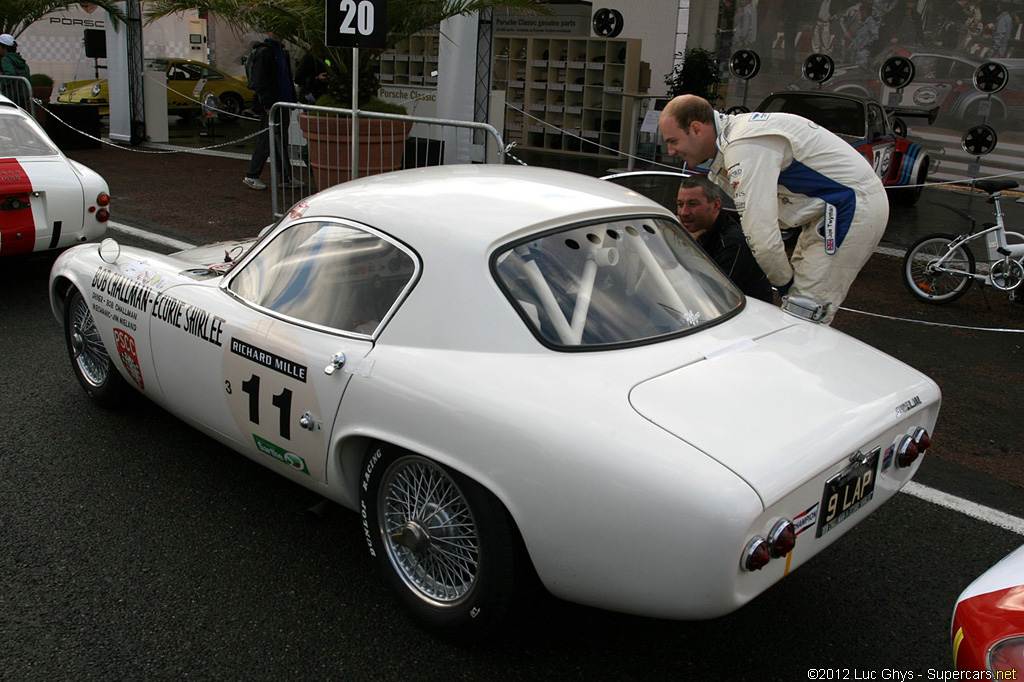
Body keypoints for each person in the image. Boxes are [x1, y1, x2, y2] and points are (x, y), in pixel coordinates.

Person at [657, 94, 888, 324]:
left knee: (805, 311)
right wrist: (787, 286)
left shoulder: (743, 145)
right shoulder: (737, 136)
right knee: (798, 303)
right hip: (828, 208)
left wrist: (785, 288)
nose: (670, 151)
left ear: (696, 129)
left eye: (673, 141)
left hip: (849, 206)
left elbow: (762, 238)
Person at [676, 174, 773, 303]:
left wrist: (689, 246)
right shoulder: (694, 230)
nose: (683, 212)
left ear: (716, 205)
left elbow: (713, 293)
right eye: (680, 204)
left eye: (693, 204)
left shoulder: (733, 242)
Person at [244, 31, 302, 191]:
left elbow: (285, 78)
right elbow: (261, 80)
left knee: (278, 141)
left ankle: (285, 177)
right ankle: (252, 175)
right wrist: (268, 104)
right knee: (267, 139)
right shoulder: (266, 52)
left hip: (281, 103)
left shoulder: (281, 52)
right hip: (273, 105)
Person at [0, 34, 31, 108]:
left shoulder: (6, 59)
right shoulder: (19, 59)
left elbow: (9, 74)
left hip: (9, 97)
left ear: (4, 47)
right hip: (21, 98)